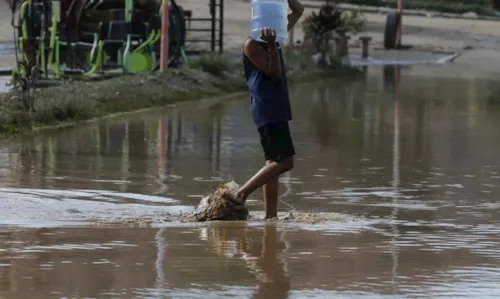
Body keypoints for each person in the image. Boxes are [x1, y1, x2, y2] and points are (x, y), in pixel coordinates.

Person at [236, 0, 304, 219]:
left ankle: (270, 217)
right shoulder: (252, 45)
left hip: (276, 106)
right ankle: (241, 193)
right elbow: (273, 73)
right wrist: (272, 44)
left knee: (272, 164)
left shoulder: (277, 35)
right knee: (285, 162)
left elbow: (299, 10)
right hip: (268, 109)